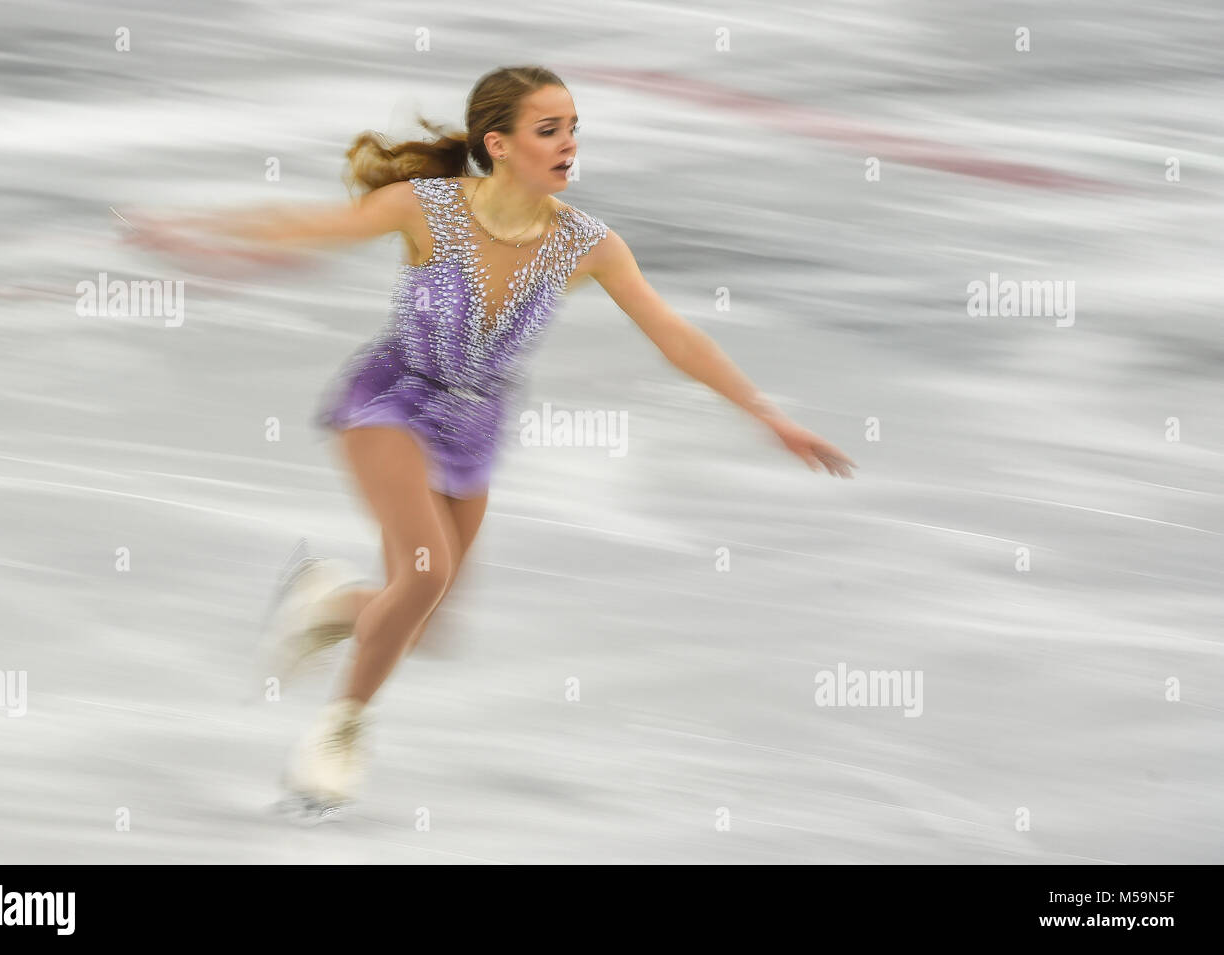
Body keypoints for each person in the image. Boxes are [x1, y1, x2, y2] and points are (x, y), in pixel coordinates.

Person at [127, 65, 857, 811]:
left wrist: (768, 413)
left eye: (574, 128)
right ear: (498, 144)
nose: (569, 144)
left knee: (426, 617)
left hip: (474, 424)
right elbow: (306, 227)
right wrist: (194, 232)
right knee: (425, 571)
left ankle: (326, 604)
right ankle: (338, 734)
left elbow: (674, 335)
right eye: (550, 130)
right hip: (390, 399)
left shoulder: (586, 243)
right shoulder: (425, 207)